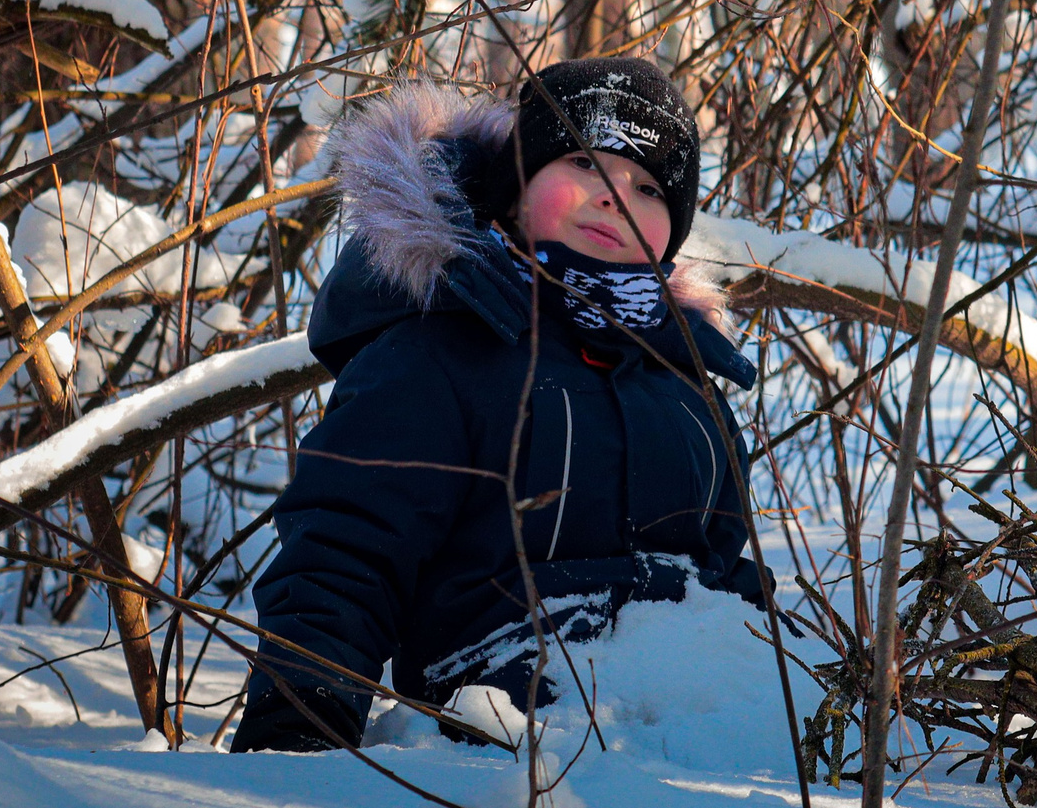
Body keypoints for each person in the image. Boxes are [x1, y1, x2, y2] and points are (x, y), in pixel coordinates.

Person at [230, 57, 760, 753]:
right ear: (516, 186)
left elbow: (721, 578)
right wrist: (297, 730)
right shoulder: (439, 354)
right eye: (585, 162)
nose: (617, 197)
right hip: (505, 748)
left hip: (698, 748)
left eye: (649, 186)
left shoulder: (689, 392)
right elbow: (346, 553)